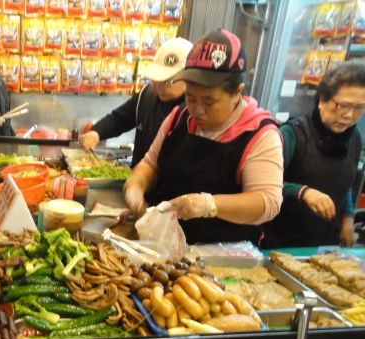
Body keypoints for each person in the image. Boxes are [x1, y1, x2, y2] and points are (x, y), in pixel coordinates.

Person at [124, 29, 283, 245]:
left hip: (222, 254)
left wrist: (208, 205)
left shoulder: (260, 134)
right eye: (191, 98)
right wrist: (136, 185)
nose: (197, 110)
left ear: (237, 92)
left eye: (209, 102)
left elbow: (267, 202)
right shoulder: (178, 118)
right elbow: (150, 164)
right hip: (165, 245)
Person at [262, 61, 365, 248]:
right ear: (322, 99)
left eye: (359, 108)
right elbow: (262, 185)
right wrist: (303, 192)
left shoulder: (354, 138)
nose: (349, 115)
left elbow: (344, 185)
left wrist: (347, 218)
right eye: (343, 105)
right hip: (279, 241)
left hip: (324, 245)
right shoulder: (292, 134)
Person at [79, 37, 193, 168]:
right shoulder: (147, 95)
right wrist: (96, 133)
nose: (158, 87)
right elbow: (119, 119)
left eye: (166, 82)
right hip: (138, 178)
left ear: (188, 78)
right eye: (155, 80)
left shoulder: (193, 112)